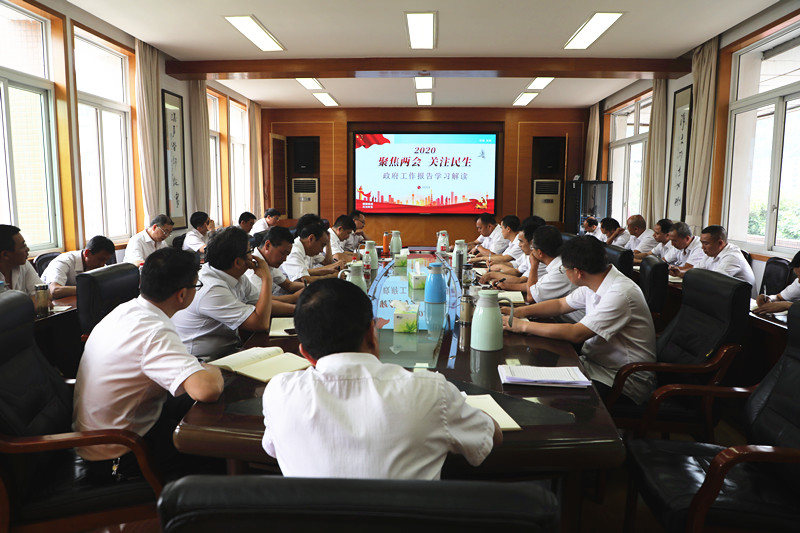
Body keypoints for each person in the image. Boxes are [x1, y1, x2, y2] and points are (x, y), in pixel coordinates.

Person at [261, 278, 501, 479]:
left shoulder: (279, 394)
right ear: (372, 334)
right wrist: (455, 405)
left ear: (305, 354)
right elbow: (491, 436)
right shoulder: (430, 392)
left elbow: (272, 448)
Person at [73, 247, 224, 482]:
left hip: (101, 437)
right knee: (216, 446)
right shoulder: (153, 330)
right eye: (197, 285)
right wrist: (212, 369)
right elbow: (207, 390)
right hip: (119, 453)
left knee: (197, 411)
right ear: (182, 295)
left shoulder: (126, 310)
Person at [502, 235, 656, 405]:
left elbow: (576, 333)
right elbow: (560, 305)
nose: (565, 272)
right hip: (595, 365)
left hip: (622, 380)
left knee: (546, 396)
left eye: (565, 269)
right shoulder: (595, 280)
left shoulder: (620, 293)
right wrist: (518, 312)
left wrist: (522, 326)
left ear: (578, 272)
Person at [173, 226, 273, 359]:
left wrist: (296, 309)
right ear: (238, 262)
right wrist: (266, 278)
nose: (252, 256)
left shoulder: (234, 274)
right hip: (203, 361)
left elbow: (262, 303)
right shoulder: (212, 289)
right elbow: (260, 323)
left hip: (230, 351)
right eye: (250, 251)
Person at [509, 225, 583, 322]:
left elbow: (531, 297)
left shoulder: (560, 270)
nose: (532, 251)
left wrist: (534, 265)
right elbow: (536, 288)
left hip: (571, 321)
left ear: (540, 253)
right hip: (562, 316)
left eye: (533, 248)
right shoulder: (557, 264)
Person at [246, 227, 305, 316]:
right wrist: (293, 298)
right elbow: (261, 302)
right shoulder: (253, 268)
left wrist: (310, 286)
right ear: (268, 245)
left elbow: (289, 285)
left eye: (287, 255)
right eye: (282, 253)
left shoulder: (269, 261)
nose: (285, 259)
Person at [669, 225, 755, 287]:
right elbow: (696, 270)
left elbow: (715, 282)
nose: (702, 247)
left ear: (720, 243)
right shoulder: (711, 253)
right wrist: (680, 273)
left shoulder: (732, 257)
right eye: (702, 243)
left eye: (706, 243)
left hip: (742, 302)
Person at [41, 235, 115, 298]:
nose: (102, 264)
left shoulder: (98, 264)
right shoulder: (64, 261)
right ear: (87, 253)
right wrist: (88, 289)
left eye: (106, 260)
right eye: (100, 259)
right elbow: (55, 290)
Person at [0, 224, 43, 298]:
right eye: (23, 247)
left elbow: (41, 294)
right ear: (5, 255)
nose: (28, 249)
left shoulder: (23, 264)